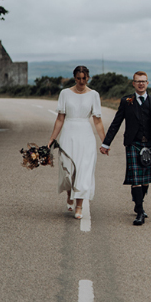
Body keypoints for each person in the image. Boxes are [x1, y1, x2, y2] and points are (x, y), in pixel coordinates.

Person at [100, 71, 151, 226]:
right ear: (133, 83)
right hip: (133, 144)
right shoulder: (127, 101)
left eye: (143, 81)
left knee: (145, 181)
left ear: (147, 83)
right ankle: (139, 212)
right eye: (138, 81)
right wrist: (106, 143)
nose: (141, 84)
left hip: (150, 144)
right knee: (136, 179)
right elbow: (116, 123)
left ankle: (138, 201)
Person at [47, 66, 106, 220]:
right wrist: (52, 138)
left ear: (88, 78)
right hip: (68, 133)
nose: (81, 81)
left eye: (84, 78)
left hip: (85, 135)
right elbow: (60, 118)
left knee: (83, 169)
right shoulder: (65, 93)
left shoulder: (94, 95)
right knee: (67, 169)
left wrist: (105, 142)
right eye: (78, 78)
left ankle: (79, 205)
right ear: (74, 78)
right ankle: (69, 193)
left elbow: (98, 121)